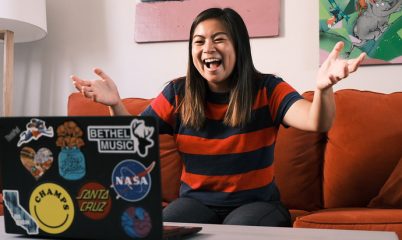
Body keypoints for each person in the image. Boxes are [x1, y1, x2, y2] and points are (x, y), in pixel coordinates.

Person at [71, 8, 365, 227]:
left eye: (219, 39)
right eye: (199, 42)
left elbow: (317, 122)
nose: (208, 48)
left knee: (235, 231)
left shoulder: (268, 88)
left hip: (257, 205)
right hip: (194, 203)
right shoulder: (177, 93)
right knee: (157, 230)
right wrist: (114, 104)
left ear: (238, 46)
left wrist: (323, 89)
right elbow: (133, 139)